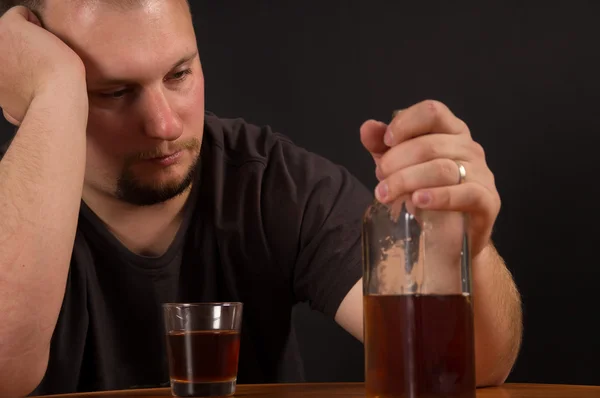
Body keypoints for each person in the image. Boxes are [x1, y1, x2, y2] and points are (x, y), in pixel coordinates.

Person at [0, 1, 523, 396]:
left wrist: (467, 254)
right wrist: (55, 84)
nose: (164, 124)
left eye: (179, 74)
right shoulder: (12, 205)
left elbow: (463, 366)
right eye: (113, 92)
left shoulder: (268, 181)